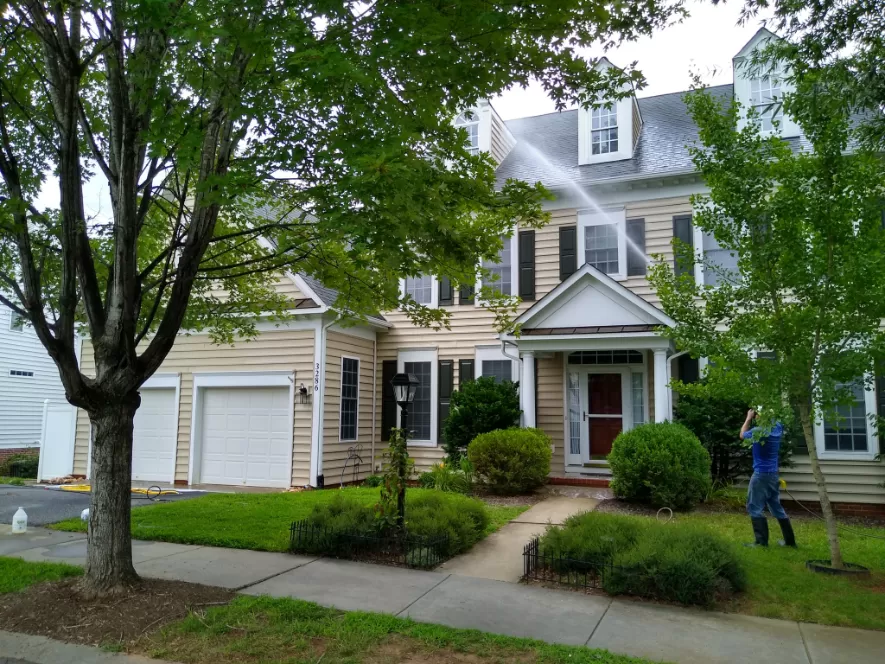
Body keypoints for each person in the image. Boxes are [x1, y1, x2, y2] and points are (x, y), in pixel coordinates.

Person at [741, 408, 796, 548]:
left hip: (760, 475)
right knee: (776, 506)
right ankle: (790, 542)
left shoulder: (758, 432)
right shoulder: (777, 427)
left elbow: (742, 435)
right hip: (773, 475)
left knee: (754, 507)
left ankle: (761, 542)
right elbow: (777, 421)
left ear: (759, 416)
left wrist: (748, 418)